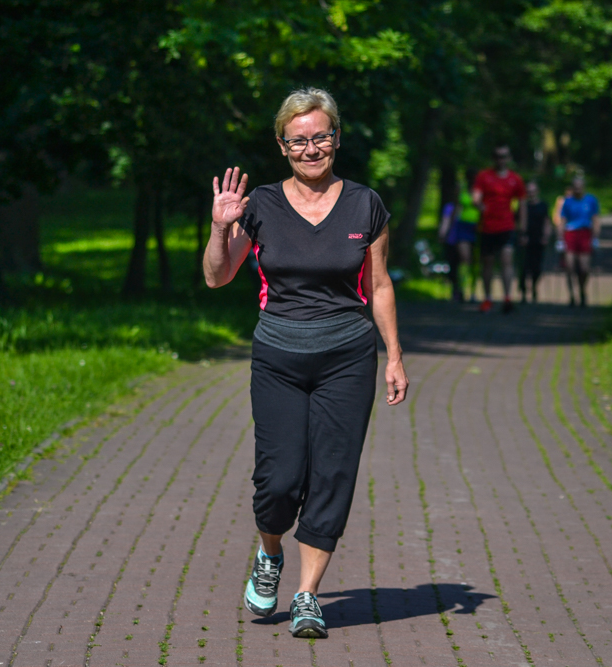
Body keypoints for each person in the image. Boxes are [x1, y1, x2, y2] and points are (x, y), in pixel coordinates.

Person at [203, 88, 409, 640]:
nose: (312, 148)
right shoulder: (261, 206)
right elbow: (216, 277)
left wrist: (393, 356)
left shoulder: (366, 204)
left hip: (347, 357)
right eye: (300, 140)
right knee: (279, 479)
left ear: (336, 138)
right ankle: (269, 553)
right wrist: (222, 227)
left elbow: (379, 284)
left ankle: (307, 595)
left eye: (321, 137)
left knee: (333, 475)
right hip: (279, 358)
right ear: (282, 146)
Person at [473, 145, 526, 314]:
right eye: (497, 156)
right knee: (487, 262)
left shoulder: (515, 179)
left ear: (508, 158)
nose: (500, 159)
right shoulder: (484, 176)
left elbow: (522, 204)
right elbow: (476, 196)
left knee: (506, 260)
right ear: (493, 158)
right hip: (487, 227)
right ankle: (488, 297)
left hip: (507, 226)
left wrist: (523, 227)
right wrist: (479, 205)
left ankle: (507, 297)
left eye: (504, 156)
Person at [556, 176, 600, 307]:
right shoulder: (567, 202)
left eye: (579, 187)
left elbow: (595, 219)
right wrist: (560, 240)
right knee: (569, 266)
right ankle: (571, 295)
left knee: (584, 267)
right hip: (570, 233)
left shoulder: (591, 200)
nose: (577, 190)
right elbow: (562, 221)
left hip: (585, 233)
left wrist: (595, 238)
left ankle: (582, 290)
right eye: (575, 187)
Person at [438, 187, 479, 302]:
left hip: (462, 238)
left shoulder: (467, 209)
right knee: (454, 266)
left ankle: (466, 289)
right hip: (451, 240)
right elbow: (445, 222)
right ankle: (457, 290)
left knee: (466, 262)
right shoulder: (449, 207)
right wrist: (442, 235)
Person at [518, 181, 551, 303]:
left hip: (538, 239)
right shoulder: (523, 206)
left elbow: (547, 221)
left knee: (537, 268)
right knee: (524, 267)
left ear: (537, 192)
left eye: (533, 191)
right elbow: (518, 222)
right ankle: (523, 291)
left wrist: (546, 236)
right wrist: (522, 235)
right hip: (525, 239)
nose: (531, 194)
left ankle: (534, 286)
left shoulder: (543, 205)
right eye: (529, 191)